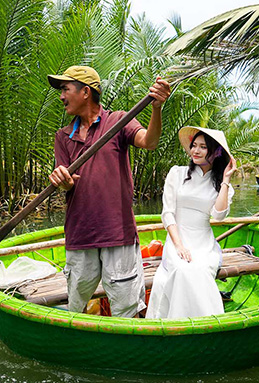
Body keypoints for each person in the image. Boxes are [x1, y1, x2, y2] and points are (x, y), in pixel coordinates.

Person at [47, 65, 171, 318]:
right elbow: (66, 181)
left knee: (126, 309)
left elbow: (149, 142)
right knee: (76, 307)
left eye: (65, 89)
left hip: (117, 233)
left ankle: (128, 350)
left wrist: (156, 108)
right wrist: (61, 180)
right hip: (80, 234)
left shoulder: (118, 121)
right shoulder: (63, 136)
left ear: (85, 92)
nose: (61, 96)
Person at [146, 126, 236, 319]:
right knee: (181, 268)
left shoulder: (221, 184)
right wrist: (179, 245)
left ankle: (207, 322)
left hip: (204, 243)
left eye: (203, 147)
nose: (195, 150)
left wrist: (226, 180)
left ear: (216, 152)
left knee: (199, 269)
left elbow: (218, 216)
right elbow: (167, 213)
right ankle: (178, 322)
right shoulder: (177, 173)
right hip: (178, 238)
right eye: (194, 145)